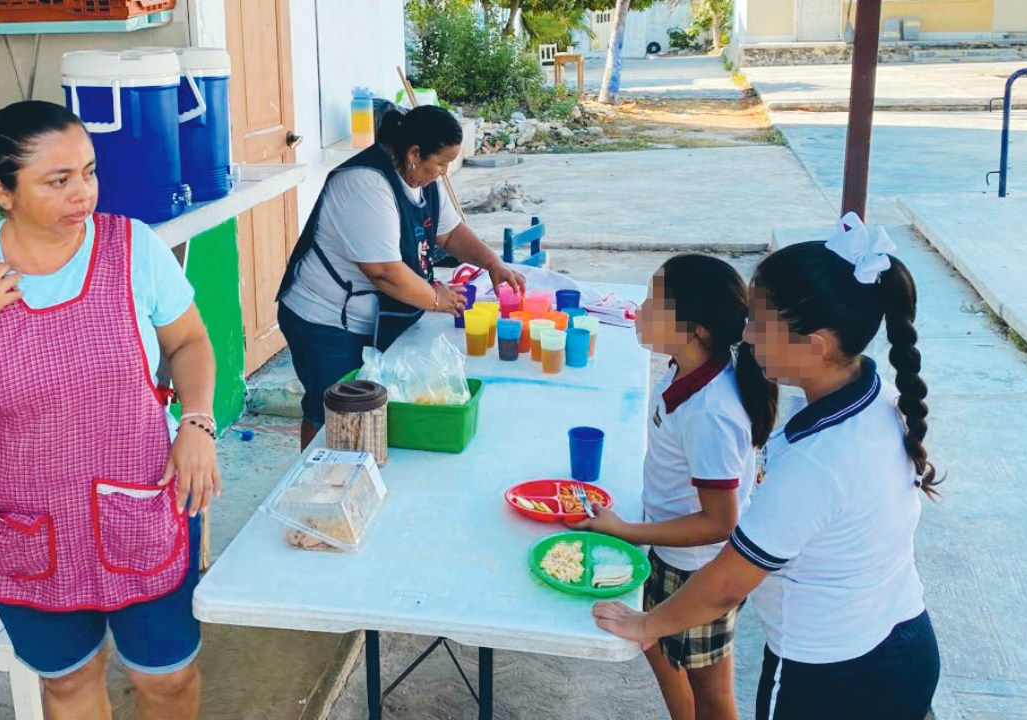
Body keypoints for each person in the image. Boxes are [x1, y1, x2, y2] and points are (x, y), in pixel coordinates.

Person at [0, 101, 219, 720]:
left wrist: (197, 421)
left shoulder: (132, 247)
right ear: (0, 191)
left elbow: (189, 341)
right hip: (26, 522)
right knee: (67, 683)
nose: (83, 193)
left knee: (168, 679)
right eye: (58, 180)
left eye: (88, 172)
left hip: (142, 501)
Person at [593, 223, 941, 720]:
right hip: (904, 641)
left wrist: (648, 625)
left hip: (831, 675)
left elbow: (729, 582)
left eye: (760, 321)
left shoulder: (816, 462)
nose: (747, 334)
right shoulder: (877, 396)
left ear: (816, 344)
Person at [574, 254, 777, 720]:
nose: (641, 309)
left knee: (712, 689)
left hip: (697, 570)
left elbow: (719, 522)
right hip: (671, 552)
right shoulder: (683, 370)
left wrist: (626, 531)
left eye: (655, 303)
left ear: (697, 330)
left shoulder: (712, 412)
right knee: (660, 648)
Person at [276, 104, 525, 448]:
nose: (444, 172)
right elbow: (384, 273)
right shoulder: (365, 183)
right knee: (332, 414)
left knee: (369, 412)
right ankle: (315, 484)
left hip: (373, 315)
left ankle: (356, 474)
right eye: (440, 163)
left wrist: (492, 264)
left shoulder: (423, 180)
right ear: (413, 153)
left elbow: (450, 234)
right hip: (325, 318)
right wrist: (436, 299)